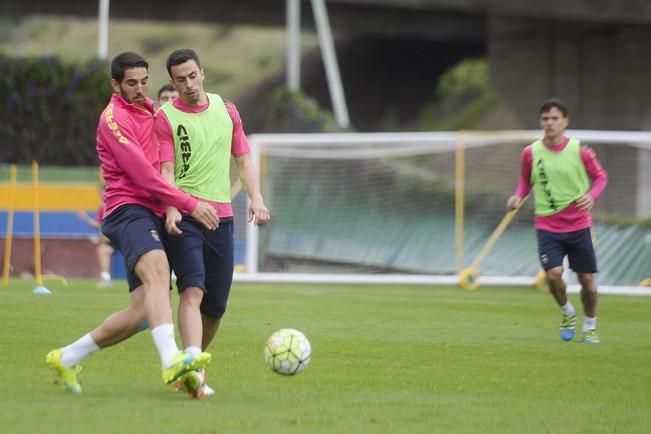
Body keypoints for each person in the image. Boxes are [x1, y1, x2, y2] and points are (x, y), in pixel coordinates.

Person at [46, 51, 221, 394]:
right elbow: (142, 176)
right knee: (158, 270)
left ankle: (66, 357)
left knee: (142, 312)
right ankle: (172, 359)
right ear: (115, 85)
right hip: (127, 209)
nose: (140, 89)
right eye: (131, 83)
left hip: (152, 211)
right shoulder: (112, 119)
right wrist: (189, 204)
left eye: (144, 82)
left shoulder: (152, 112)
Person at [155, 48, 270, 398]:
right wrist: (173, 206)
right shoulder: (165, 117)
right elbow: (167, 171)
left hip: (222, 219)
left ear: (203, 72)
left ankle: (191, 365)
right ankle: (194, 371)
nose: (188, 84)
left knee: (216, 305)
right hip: (185, 217)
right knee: (192, 290)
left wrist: (257, 197)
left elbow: (244, 160)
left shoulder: (227, 111)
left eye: (193, 75)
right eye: (180, 79)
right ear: (173, 82)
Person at [507, 98, 608, 344]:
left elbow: (600, 177)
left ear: (565, 121)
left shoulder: (580, 149)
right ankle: (567, 312)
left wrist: (591, 196)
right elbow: (525, 180)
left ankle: (590, 325)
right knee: (553, 274)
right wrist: (518, 196)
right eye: (545, 119)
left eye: (554, 118)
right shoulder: (531, 152)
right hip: (547, 225)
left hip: (579, 224)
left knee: (587, 280)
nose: (550, 123)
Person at [77, 184, 114, 288]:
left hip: (122, 235)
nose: (102, 195)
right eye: (100, 193)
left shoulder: (115, 204)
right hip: (112, 238)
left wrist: (99, 239)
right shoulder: (101, 207)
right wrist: (85, 217)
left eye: (104, 192)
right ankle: (106, 279)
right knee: (103, 250)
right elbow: (100, 225)